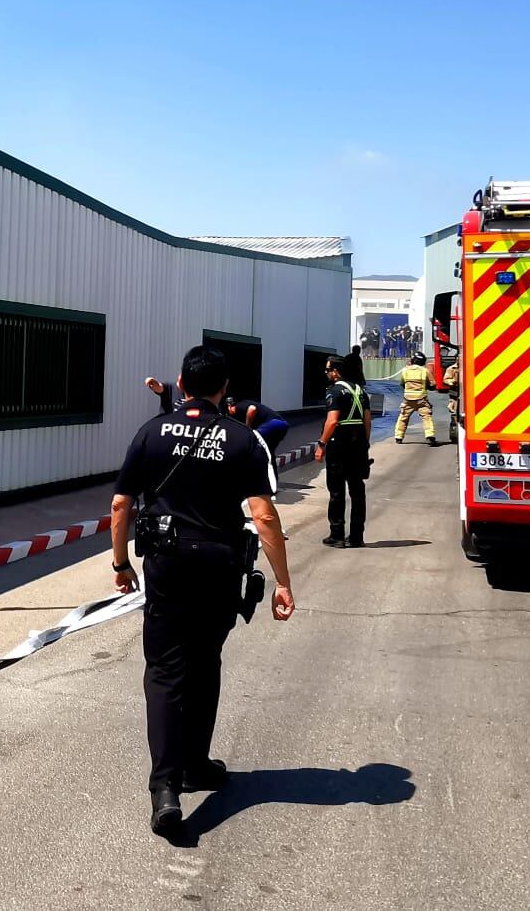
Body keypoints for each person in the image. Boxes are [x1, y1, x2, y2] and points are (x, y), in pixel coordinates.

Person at [110, 346, 296, 836]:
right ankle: (193, 764)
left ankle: (167, 786)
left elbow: (120, 504)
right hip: (218, 567)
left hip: (167, 565)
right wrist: (283, 582)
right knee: (205, 660)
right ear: (224, 388)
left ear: (180, 382)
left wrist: (120, 563)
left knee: (166, 670)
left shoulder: (151, 432)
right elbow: (262, 514)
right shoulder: (243, 439)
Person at [315, 357, 372, 547]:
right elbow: (367, 420)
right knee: (357, 491)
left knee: (337, 491)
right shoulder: (360, 390)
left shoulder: (335, 391)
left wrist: (322, 444)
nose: (326, 374)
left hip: (339, 443)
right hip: (358, 444)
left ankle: (337, 535)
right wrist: (364, 444)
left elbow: (332, 420)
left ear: (336, 372)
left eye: (327, 370)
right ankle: (357, 536)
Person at [395, 352, 438, 446]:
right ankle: (430, 435)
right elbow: (433, 384)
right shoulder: (425, 371)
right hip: (421, 399)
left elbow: (402, 383)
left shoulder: (405, 370)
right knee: (427, 417)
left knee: (403, 417)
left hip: (408, 399)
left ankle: (399, 437)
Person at [443, 358, 461, 443]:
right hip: (455, 395)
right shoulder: (451, 369)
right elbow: (445, 379)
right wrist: (451, 381)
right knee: (454, 414)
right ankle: (454, 432)